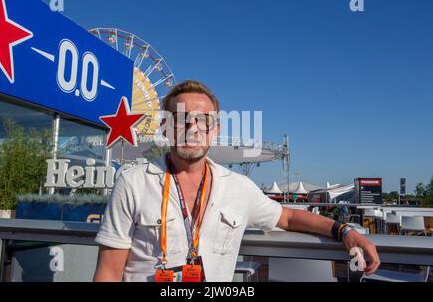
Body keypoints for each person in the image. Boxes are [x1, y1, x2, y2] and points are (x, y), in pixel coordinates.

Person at [93, 80, 380, 282]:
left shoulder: (238, 187)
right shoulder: (132, 183)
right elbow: (107, 272)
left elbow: (289, 218)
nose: (192, 128)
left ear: (214, 130)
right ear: (166, 128)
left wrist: (345, 232)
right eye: (180, 119)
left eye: (202, 120)